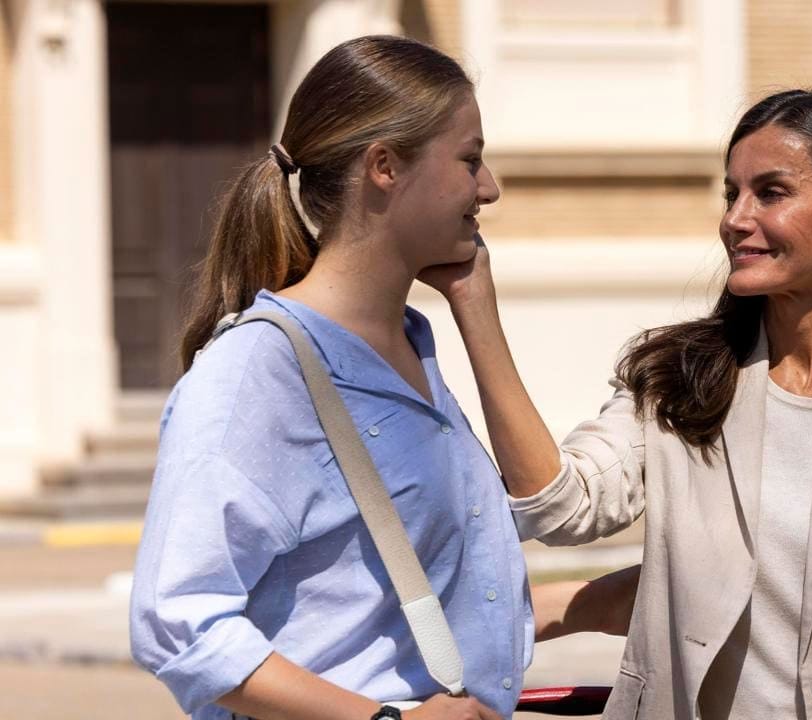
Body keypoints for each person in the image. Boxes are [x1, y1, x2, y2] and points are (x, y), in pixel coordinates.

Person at [426, 89, 812, 719]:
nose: (736, 218)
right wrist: (474, 304)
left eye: (770, 192)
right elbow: (561, 508)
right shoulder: (677, 378)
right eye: (731, 194)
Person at [128, 35, 622, 720]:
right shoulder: (257, 373)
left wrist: (594, 603)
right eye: (470, 159)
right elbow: (178, 623)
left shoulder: (413, 345)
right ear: (384, 167)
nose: (491, 188)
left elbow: (382, 610)